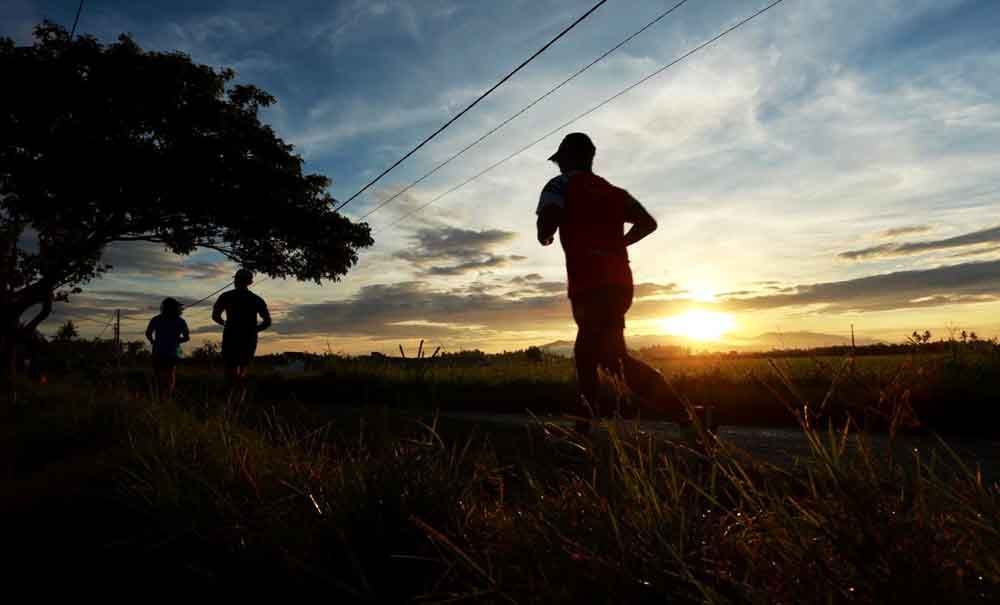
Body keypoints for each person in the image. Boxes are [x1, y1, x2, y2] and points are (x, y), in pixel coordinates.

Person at [536, 132, 674, 432]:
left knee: (601, 357)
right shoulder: (614, 192)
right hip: (620, 283)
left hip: (589, 284)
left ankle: (687, 414)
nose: (559, 166)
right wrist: (620, 243)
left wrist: (545, 234)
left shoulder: (558, 185)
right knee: (599, 356)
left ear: (567, 159)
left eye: (560, 161)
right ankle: (585, 428)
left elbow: (547, 222)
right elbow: (648, 223)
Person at [212, 269, 271, 402]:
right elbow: (267, 321)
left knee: (230, 371)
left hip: (231, 335)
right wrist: (254, 330)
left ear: (235, 280)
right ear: (250, 282)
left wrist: (225, 323)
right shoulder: (256, 299)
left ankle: (230, 401)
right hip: (249, 338)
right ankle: (238, 401)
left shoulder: (226, 296)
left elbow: (215, 316)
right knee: (242, 370)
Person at [145, 297, 190, 399]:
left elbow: (148, 333)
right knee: (170, 375)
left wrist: (152, 341)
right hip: (173, 352)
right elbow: (187, 337)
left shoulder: (156, 319)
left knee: (158, 376)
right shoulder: (180, 321)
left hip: (158, 351)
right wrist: (176, 341)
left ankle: (159, 397)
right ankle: (167, 397)